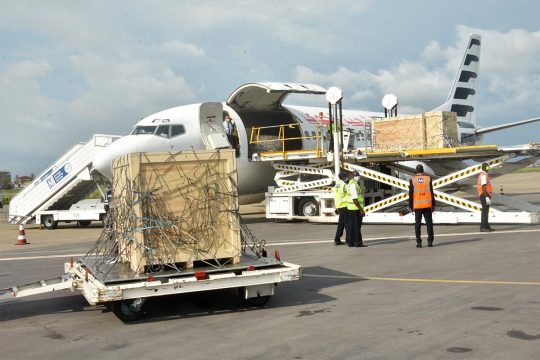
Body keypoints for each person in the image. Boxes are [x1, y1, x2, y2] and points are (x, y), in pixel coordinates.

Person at [409, 164, 435, 248]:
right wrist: (433, 205)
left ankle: (419, 242)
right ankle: (430, 242)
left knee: (417, 224)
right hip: (427, 205)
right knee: (429, 223)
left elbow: (410, 194)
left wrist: (410, 205)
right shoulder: (428, 179)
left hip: (417, 205)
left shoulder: (412, 180)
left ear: (416, 171)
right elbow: (431, 192)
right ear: (423, 171)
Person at [346, 170, 367, 247]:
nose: (358, 176)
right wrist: (361, 210)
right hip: (355, 209)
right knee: (357, 226)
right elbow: (355, 199)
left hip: (351, 208)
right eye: (356, 175)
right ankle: (358, 242)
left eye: (358, 175)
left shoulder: (352, 184)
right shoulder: (353, 185)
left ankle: (351, 242)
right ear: (352, 176)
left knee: (352, 226)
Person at [333, 171, 349, 245]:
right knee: (347, 224)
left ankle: (337, 239)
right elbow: (349, 193)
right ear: (343, 177)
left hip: (339, 206)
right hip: (345, 205)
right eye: (345, 176)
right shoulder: (344, 185)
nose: (346, 178)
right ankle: (348, 239)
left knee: (341, 224)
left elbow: (336, 196)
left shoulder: (336, 185)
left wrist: (336, 207)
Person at [478, 163, 494, 232]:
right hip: (484, 195)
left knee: (486, 211)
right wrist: (487, 197)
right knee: (484, 212)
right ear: (486, 168)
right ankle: (482, 227)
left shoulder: (484, 175)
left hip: (485, 195)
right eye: (488, 168)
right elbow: (483, 187)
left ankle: (487, 226)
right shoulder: (483, 176)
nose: (488, 169)